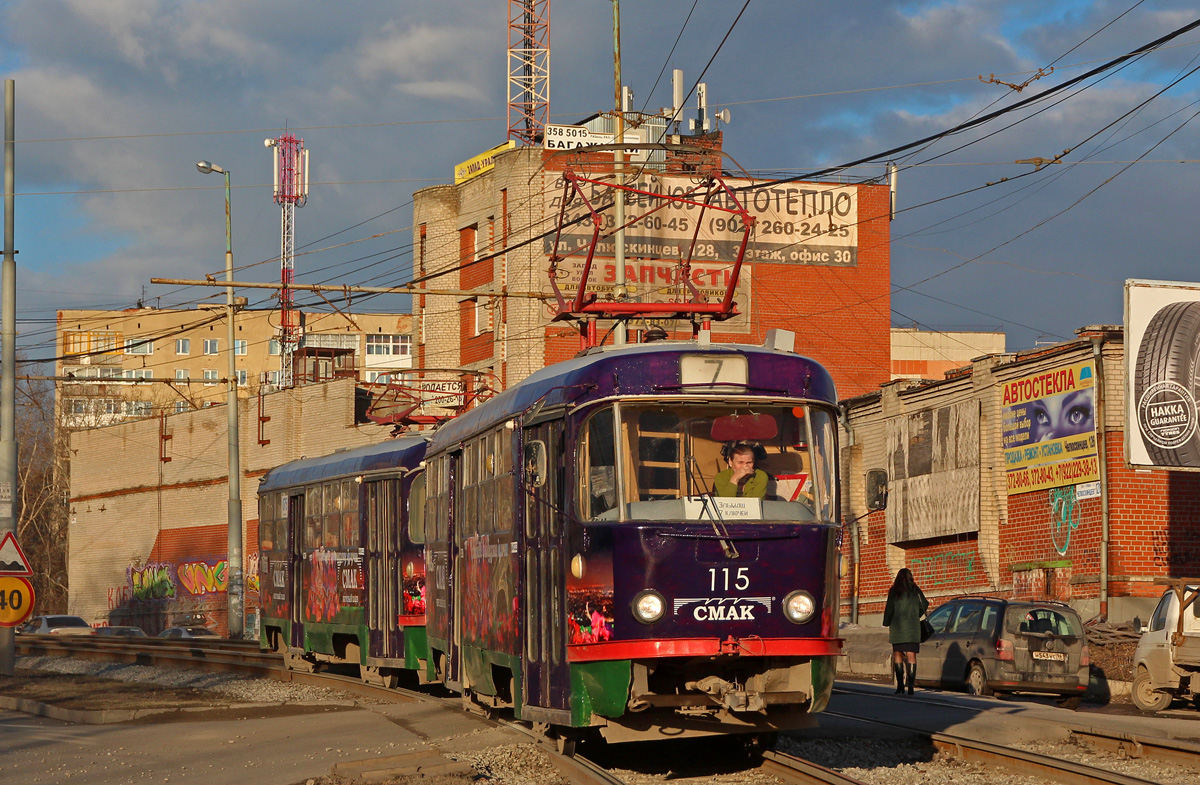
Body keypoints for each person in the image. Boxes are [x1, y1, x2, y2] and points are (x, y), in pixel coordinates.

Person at [882, 567, 929, 695]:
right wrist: (916, 614)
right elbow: (924, 604)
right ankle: (911, 687)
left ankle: (900, 686)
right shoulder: (915, 590)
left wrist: (886, 622)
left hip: (897, 628)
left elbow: (890, 609)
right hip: (913, 628)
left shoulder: (894, 591)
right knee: (911, 655)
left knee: (897, 654)